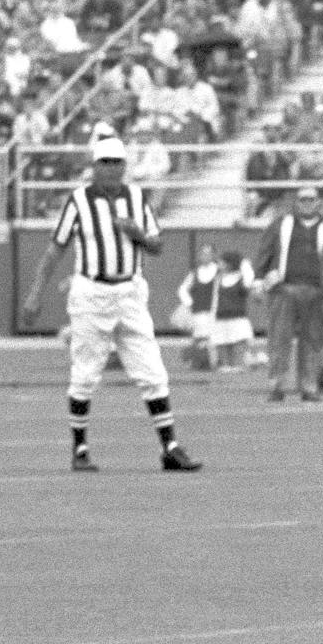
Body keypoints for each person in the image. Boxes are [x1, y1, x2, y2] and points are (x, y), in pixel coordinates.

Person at [19, 134, 202, 473]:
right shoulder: (78, 201)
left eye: (117, 163)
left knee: (152, 370)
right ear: (94, 167)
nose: (112, 169)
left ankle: (170, 446)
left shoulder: (136, 197)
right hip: (91, 293)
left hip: (130, 292)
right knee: (85, 373)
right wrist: (35, 293)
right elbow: (55, 248)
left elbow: (157, 245)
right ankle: (80, 448)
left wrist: (138, 235)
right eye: (105, 163)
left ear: (124, 166)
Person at [251, 183, 323, 402]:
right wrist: (258, 281)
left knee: (313, 340)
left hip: (319, 292)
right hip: (284, 290)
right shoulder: (280, 225)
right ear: (296, 202)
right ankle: (278, 384)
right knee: (279, 338)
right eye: (303, 199)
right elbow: (264, 254)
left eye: (312, 199)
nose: (307, 203)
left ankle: (309, 385)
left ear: (319, 202)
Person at [175, 243, 220, 370]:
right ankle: (198, 362)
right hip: (198, 310)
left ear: (213, 255)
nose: (205, 256)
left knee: (214, 338)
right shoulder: (195, 273)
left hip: (215, 311)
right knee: (199, 337)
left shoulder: (218, 271)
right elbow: (182, 289)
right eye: (202, 254)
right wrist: (189, 303)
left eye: (208, 254)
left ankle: (214, 363)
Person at [210, 249, 257, 371]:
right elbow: (215, 298)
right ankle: (227, 365)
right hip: (222, 316)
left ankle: (241, 364)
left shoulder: (242, 278)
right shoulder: (219, 279)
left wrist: (245, 265)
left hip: (237, 316)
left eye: (222, 262)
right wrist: (213, 314)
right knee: (224, 341)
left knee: (239, 340)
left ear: (230, 264)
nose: (219, 265)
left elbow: (249, 281)